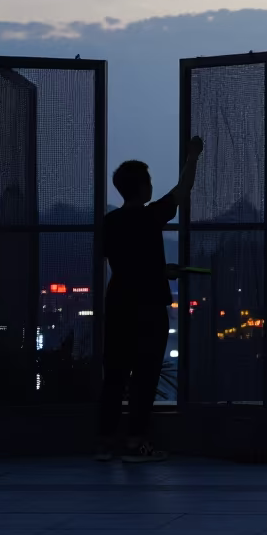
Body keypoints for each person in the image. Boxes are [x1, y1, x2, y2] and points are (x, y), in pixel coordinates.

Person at [97, 135, 202, 463]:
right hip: (148, 308)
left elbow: (125, 264)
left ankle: (104, 444)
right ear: (143, 187)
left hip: (117, 304)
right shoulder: (150, 216)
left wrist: (158, 269)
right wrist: (193, 156)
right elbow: (183, 190)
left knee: (114, 375)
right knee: (144, 377)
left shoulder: (110, 222)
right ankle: (135, 444)